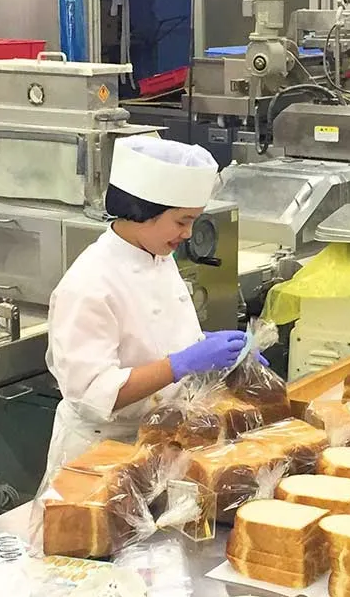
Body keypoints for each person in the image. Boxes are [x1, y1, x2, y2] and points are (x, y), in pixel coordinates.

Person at [44, 134, 247, 475]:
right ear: (142, 213)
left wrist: (216, 350)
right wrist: (183, 363)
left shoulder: (155, 253)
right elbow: (95, 394)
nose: (187, 233)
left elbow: (152, 340)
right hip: (100, 453)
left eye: (193, 220)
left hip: (158, 437)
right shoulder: (89, 284)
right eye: (182, 221)